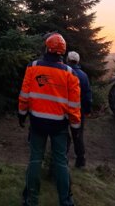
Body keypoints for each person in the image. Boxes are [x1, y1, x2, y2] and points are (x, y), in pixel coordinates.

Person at [18, 33, 81, 206]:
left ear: (47, 48)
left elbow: (24, 96)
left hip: (37, 122)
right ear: (63, 52)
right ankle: (66, 202)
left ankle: (31, 201)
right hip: (59, 126)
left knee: (35, 159)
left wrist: (21, 115)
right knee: (60, 161)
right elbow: (74, 106)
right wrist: (75, 129)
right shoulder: (70, 74)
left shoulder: (33, 67)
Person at [66, 51, 92, 168]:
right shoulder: (83, 75)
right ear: (78, 61)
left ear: (67, 60)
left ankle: (61, 158)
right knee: (78, 135)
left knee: (63, 134)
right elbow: (87, 95)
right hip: (78, 110)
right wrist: (87, 110)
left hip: (63, 109)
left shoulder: (64, 72)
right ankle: (80, 161)